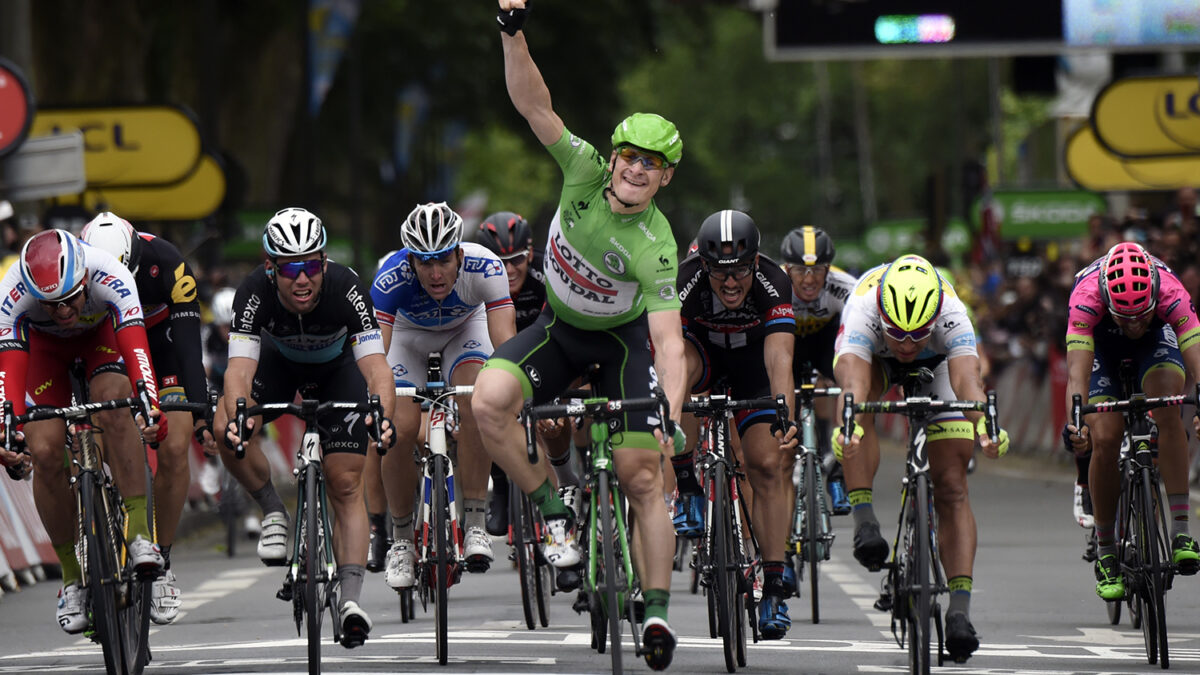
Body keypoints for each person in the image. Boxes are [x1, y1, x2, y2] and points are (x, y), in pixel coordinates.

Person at [478, 3, 688, 669]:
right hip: (559, 332)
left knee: (642, 473)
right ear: (616, 154)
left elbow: (670, 340)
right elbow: (533, 102)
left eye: (650, 165)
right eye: (629, 156)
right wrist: (513, 32)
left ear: (664, 177)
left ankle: (655, 610)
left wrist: (671, 415)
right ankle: (554, 514)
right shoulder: (584, 172)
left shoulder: (657, 245)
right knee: (487, 401)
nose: (633, 169)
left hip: (621, 347)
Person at [212, 207, 396, 648]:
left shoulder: (347, 288)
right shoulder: (253, 292)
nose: (302, 278)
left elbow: (376, 368)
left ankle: (350, 600)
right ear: (270, 267)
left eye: (311, 265)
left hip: (339, 371)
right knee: (224, 426)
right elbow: (239, 370)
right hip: (277, 368)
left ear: (324, 263)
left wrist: (383, 413)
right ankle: (274, 511)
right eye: (290, 267)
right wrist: (240, 415)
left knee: (346, 482)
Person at [833, 254, 1008, 662]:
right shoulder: (864, 305)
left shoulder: (951, 310)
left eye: (917, 335)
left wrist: (985, 425)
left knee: (951, 485)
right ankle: (865, 521)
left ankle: (960, 612)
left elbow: (967, 381)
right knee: (857, 416)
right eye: (900, 335)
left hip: (941, 364)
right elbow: (855, 383)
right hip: (874, 361)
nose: (908, 345)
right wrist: (848, 426)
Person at [0, 229, 168, 634]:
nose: (62, 311)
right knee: (43, 450)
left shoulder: (109, 273)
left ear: (85, 279)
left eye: (71, 298)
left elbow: (138, 353)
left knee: (115, 406)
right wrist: (7, 434)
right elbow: (8, 382)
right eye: (51, 304)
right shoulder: (11, 291)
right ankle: (72, 578)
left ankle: (141, 533)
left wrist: (151, 403)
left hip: (101, 340)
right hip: (43, 352)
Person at [372, 202, 516, 590]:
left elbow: (506, 343)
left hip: (465, 330)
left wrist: (517, 389)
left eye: (443, 261)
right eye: (424, 262)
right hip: (407, 340)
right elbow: (377, 359)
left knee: (477, 399)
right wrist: (378, 405)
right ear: (411, 262)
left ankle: (473, 522)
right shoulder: (390, 278)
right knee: (396, 428)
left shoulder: (485, 268)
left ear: (459, 253)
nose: (435, 273)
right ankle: (401, 540)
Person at [671, 209, 798, 638]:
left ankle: (775, 586)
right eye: (719, 272)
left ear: (756, 263)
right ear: (703, 266)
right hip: (703, 358)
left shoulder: (774, 282)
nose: (729, 283)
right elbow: (671, 350)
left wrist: (785, 415)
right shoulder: (685, 279)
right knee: (679, 374)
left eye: (740, 271)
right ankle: (687, 483)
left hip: (753, 365)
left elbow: (780, 359)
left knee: (766, 465)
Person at [80, 212, 209, 625]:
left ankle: (164, 560)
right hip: (108, 345)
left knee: (174, 446)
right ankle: (94, 518)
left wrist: (201, 413)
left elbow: (190, 350)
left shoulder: (167, 263)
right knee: (94, 434)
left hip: (162, 346)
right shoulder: (75, 267)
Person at [1063, 242, 1200, 602]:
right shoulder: (1085, 297)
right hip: (1102, 348)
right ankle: (1107, 551)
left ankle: (1181, 531)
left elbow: (1197, 362)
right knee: (1105, 437)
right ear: (1107, 302)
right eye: (1126, 317)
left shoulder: (1172, 291)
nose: (1135, 325)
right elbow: (1076, 378)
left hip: (1157, 344)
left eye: (1142, 314)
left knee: (1169, 409)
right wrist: (1076, 424)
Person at [473, 210, 577, 538]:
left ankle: (565, 479)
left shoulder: (548, 273)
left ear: (530, 254)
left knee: (554, 419)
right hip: (496, 350)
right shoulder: (479, 280)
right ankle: (501, 486)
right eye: (499, 261)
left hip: (546, 349)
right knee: (484, 397)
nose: (508, 270)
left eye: (516, 259)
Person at [779, 225, 857, 515]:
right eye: (800, 270)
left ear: (829, 269)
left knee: (851, 384)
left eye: (817, 270)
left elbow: (858, 338)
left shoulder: (845, 286)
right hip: (790, 344)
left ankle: (838, 474)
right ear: (787, 268)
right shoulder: (774, 285)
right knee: (781, 390)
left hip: (827, 343)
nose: (809, 279)